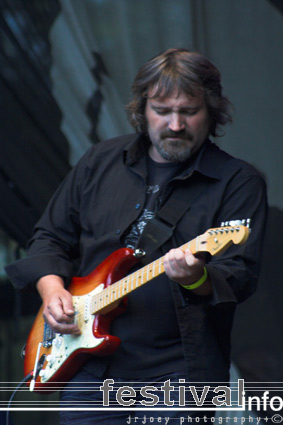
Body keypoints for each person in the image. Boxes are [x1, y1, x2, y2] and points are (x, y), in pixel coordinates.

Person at [6, 48, 267, 424]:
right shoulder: (99, 161)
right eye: (163, 110)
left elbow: (240, 275)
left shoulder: (237, 182)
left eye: (189, 111)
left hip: (178, 375)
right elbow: (50, 236)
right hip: (87, 370)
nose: (175, 124)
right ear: (142, 109)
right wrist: (53, 291)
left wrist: (197, 278)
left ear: (211, 111)